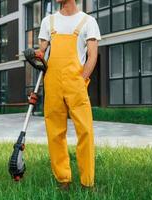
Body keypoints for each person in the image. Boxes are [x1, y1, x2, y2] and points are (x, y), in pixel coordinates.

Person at [37, 0, 101, 190]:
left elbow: (92, 56)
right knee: (55, 132)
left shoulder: (88, 21)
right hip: (53, 83)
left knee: (85, 131)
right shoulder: (48, 22)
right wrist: (35, 54)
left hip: (76, 83)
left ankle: (87, 182)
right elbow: (41, 52)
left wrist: (82, 80)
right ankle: (63, 179)